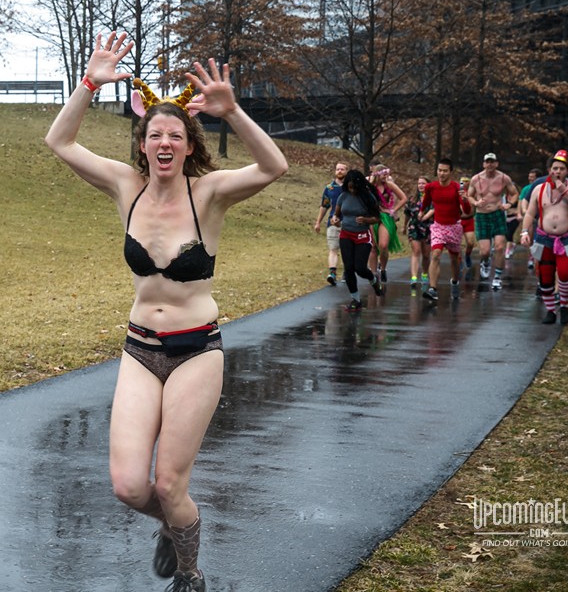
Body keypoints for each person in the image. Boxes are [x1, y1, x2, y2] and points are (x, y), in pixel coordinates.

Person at [44, 32, 288, 592]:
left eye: (174, 134)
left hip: (197, 350)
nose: (164, 141)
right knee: (130, 487)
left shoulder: (210, 193)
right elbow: (59, 141)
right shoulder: (124, 185)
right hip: (140, 349)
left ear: (187, 145)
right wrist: (89, 82)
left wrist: (235, 112)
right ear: (142, 144)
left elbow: (274, 167)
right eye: (154, 133)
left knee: (171, 484)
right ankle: (176, 526)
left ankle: (190, 572)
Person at [520, 150, 568, 325]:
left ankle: (564, 305)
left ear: (567, 171)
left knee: (564, 274)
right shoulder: (539, 189)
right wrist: (525, 232)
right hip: (544, 238)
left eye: (562, 169)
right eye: (555, 168)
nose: (557, 172)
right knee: (546, 277)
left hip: (567, 238)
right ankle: (550, 311)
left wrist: (564, 191)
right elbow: (529, 214)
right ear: (549, 170)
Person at [330, 170, 384, 311]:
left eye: (354, 187)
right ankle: (356, 299)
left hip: (362, 235)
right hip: (346, 235)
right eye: (349, 187)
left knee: (360, 268)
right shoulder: (343, 196)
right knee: (348, 269)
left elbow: (377, 218)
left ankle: (373, 280)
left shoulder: (368, 197)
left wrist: (366, 220)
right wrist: (335, 220)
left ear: (359, 186)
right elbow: (336, 215)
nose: (352, 190)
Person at [467, 153, 518, 290]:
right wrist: (476, 203)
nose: (490, 164)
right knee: (485, 251)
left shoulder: (503, 178)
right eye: (487, 162)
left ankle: (497, 277)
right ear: (484, 164)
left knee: (500, 247)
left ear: (496, 164)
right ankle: (485, 262)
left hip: (498, 215)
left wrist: (508, 204)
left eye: (492, 162)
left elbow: (514, 194)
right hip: (482, 216)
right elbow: (469, 195)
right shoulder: (476, 179)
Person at [420, 159, 463, 302]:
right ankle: (433, 289)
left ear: (451, 172)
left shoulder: (457, 188)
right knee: (436, 254)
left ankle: (455, 281)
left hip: (454, 226)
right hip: (438, 226)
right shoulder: (431, 187)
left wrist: (466, 200)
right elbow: (426, 201)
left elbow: (467, 210)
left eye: (445, 171)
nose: (442, 173)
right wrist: (421, 211)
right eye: (439, 170)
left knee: (454, 260)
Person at [367, 162, 406, 283]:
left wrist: (393, 210)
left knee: (383, 245)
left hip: (385, 217)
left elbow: (404, 198)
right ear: (377, 175)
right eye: (383, 174)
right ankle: (373, 275)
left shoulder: (389, 185)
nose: (386, 176)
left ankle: (383, 269)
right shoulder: (370, 186)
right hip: (372, 216)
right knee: (373, 246)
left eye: (387, 174)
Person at [313, 162, 348, 286]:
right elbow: (324, 206)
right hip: (333, 222)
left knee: (346, 250)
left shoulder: (351, 187)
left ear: (346, 171)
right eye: (337, 169)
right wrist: (318, 222)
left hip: (348, 223)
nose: (339, 171)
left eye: (342, 169)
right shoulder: (330, 188)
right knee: (333, 248)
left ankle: (347, 272)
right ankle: (332, 273)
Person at [403, 176, 433, 287]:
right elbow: (407, 214)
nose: (420, 185)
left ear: (428, 185)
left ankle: (424, 274)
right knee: (416, 251)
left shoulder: (432, 199)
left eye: (423, 183)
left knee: (426, 254)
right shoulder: (412, 199)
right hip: (414, 227)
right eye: (419, 183)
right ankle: (414, 277)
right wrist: (404, 226)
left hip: (428, 228)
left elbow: (435, 210)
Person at [518, 168, 542, 270]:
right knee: (530, 238)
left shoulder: (543, 186)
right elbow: (522, 200)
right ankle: (531, 257)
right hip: (531, 217)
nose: (530, 178)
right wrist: (521, 212)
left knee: (539, 242)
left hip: (542, 218)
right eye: (529, 176)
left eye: (533, 177)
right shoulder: (527, 189)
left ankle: (537, 259)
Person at [458, 177, 476, 272]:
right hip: (458, 220)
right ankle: (459, 260)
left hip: (469, 220)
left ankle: (468, 255)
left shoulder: (473, 192)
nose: (463, 183)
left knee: (470, 242)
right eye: (461, 182)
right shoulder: (457, 192)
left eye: (465, 181)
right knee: (458, 243)